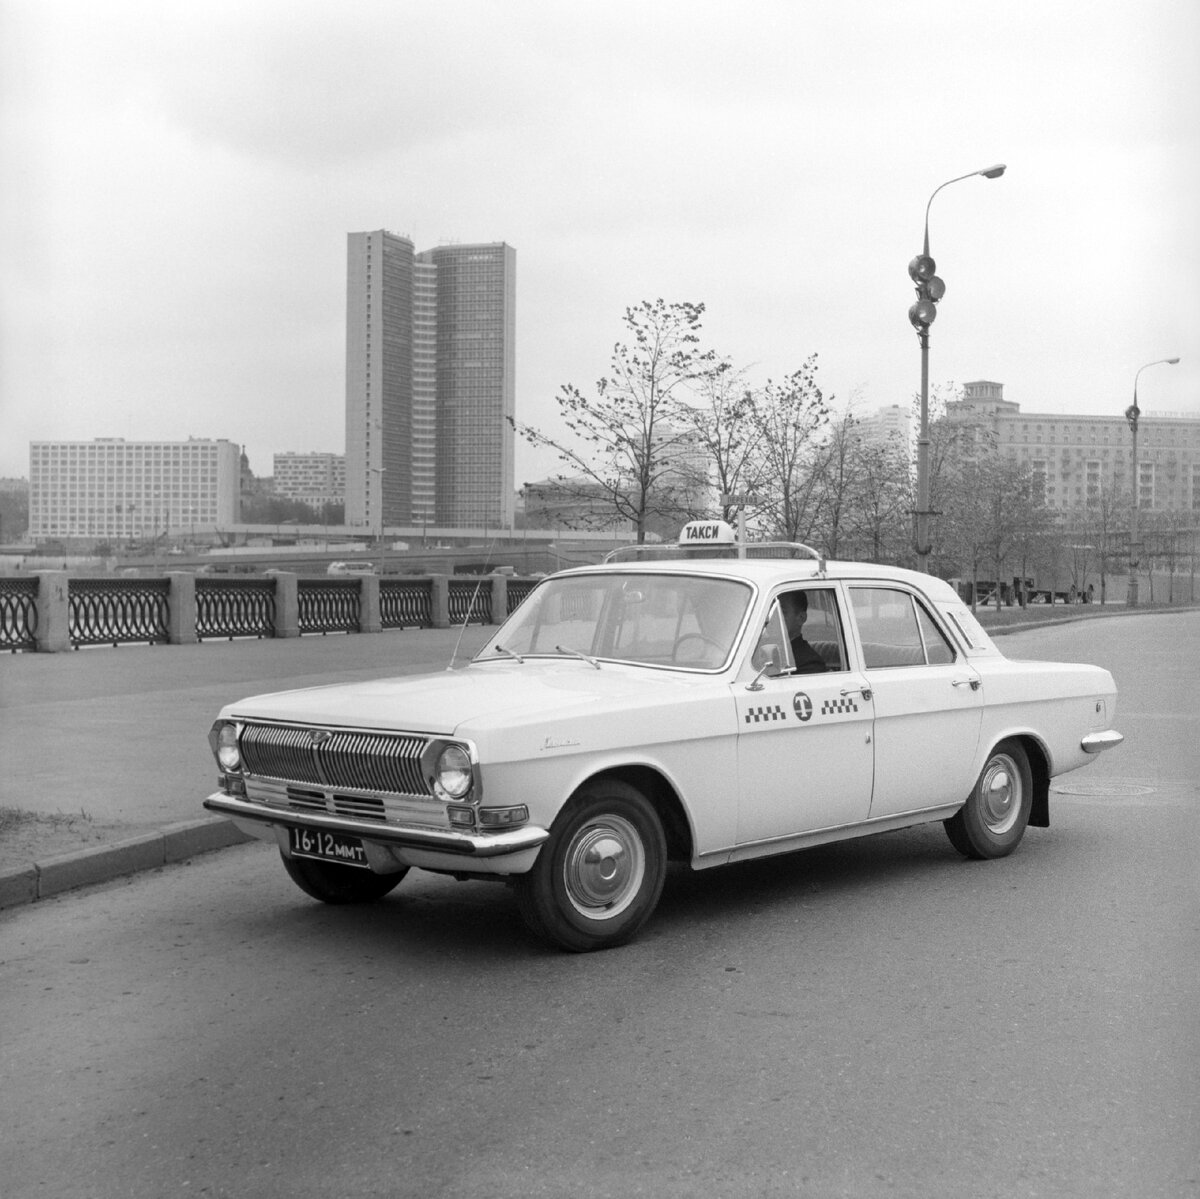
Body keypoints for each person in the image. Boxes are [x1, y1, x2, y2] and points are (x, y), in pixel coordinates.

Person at [779, 590, 828, 674]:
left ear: (801, 618)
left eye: (782, 612)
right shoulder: (761, 649)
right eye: (771, 611)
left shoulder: (810, 663)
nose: (773, 616)